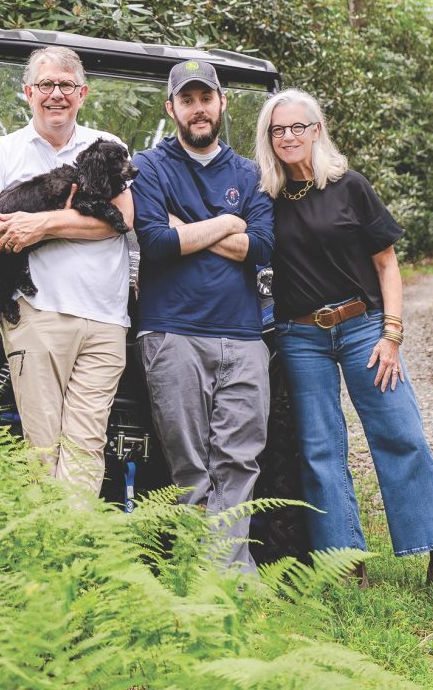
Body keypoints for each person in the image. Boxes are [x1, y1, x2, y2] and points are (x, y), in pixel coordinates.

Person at [254, 87, 433, 607]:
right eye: (278, 129)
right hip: (300, 337)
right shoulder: (263, 198)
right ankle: (345, 564)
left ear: (316, 130)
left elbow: (387, 264)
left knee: (401, 433)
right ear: (268, 138)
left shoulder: (350, 186)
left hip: (363, 326)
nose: (288, 136)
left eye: (297, 127)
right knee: (320, 449)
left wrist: (392, 334)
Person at [0, 46, 133, 494]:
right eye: (46, 85)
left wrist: (43, 225)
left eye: (66, 85)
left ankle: (69, 535)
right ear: (29, 92)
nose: (56, 94)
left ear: (82, 94)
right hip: (38, 315)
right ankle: (48, 535)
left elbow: (121, 220)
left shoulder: (106, 146)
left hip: (106, 319)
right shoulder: (1, 152)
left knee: (87, 445)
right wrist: (41, 226)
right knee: (44, 446)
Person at [131, 60, 275, 570]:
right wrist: (229, 222)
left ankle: (226, 575)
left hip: (244, 335)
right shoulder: (148, 166)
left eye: (205, 98)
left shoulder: (250, 173)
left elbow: (261, 246)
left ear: (222, 103)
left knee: (239, 461)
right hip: (172, 332)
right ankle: (205, 575)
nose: (198, 109)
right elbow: (156, 242)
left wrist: (190, 228)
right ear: (171, 108)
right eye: (187, 100)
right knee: (191, 466)